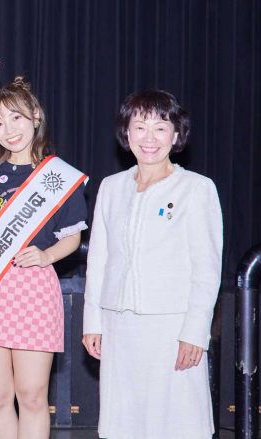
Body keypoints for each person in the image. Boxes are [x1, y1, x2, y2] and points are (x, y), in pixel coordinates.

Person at [0, 76, 88, 439]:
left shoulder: (58, 177)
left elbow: (72, 237)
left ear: (35, 116)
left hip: (34, 289)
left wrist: (46, 255)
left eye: (16, 118)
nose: (9, 130)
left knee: (31, 395)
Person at [82, 89, 223, 438]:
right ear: (126, 133)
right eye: (140, 127)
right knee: (124, 422)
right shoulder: (111, 187)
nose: (149, 138)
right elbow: (98, 260)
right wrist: (93, 322)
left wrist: (195, 333)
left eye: (160, 128)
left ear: (175, 136)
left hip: (171, 328)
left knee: (177, 422)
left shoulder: (196, 188)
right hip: (118, 326)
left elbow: (206, 270)